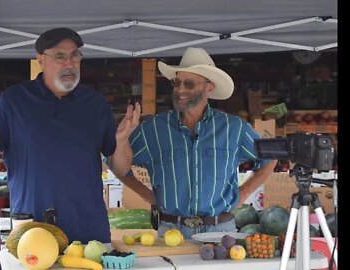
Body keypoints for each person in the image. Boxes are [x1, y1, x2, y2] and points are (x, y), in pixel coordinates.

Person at [0, 28, 141, 244]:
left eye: (75, 55)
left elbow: (121, 168)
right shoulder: (14, 101)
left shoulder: (95, 104)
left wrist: (122, 140)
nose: (69, 63)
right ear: (40, 60)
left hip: (88, 231)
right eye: (60, 56)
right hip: (31, 231)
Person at [119, 47, 277, 239]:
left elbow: (271, 155)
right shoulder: (154, 129)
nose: (180, 90)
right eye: (176, 83)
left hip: (220, 230)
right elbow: (117, 163)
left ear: (209, 88)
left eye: (189, 84)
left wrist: (242, 194)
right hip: (171, 230)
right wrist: (148, 196)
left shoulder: (233, 128)